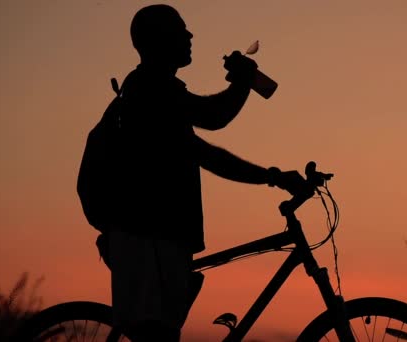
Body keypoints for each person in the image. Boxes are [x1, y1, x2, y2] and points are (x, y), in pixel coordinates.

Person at [105, 4, 308, 341]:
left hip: (156, 234)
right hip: (148, 234)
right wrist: (243, 82)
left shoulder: (154, 90)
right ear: (158, 39)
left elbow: (204, 152)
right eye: (180, 30)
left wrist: (272, 176)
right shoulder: (150, 89)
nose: (190, 36)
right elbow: (214, 118)